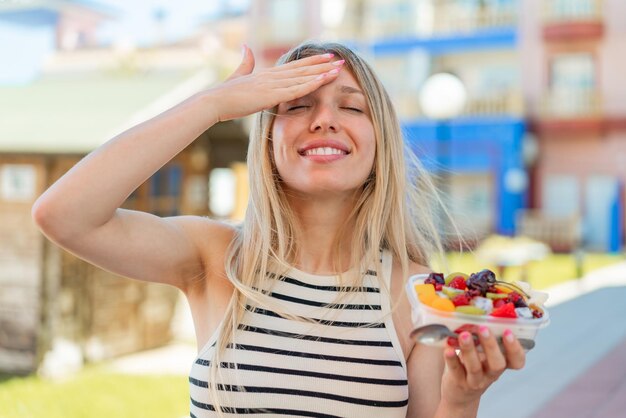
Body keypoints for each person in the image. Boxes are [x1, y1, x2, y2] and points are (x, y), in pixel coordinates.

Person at [32, 41, 526, 418]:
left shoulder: (414, 292)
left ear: (380, 147)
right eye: (297, 105)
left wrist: (461, 400)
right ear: (267, 141)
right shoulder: (216, 258)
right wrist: (211, 106)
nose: (325, 120)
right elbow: (63, 214)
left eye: (352, 107)